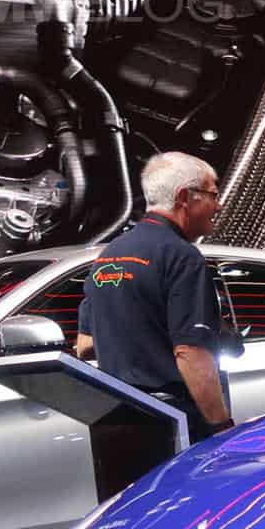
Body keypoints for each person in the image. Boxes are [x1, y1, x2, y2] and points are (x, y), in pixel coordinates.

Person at [75, 151, 236, 443]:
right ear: (185, 196)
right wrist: (222, 428)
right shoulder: (181, 256)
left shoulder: (108, 256)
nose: (219, 205)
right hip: (173, 420)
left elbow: (86, 347)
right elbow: (191, 353)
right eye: (213, 194)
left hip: (116, 422)